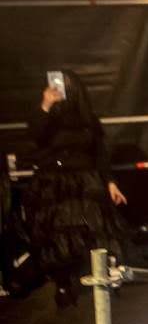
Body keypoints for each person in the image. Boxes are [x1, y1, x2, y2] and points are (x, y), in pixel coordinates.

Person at [25, 70, 128, 308]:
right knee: (58, 235)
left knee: (94, 231)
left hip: (85, 180)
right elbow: (35, 136)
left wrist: (110, 183)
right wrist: (46, 105)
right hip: (55, 182)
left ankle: (101, 280)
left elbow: (99, 154)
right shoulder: (48, 117)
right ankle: (63, 284)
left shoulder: (87, 119)